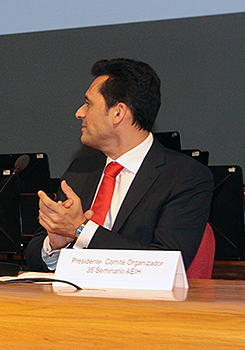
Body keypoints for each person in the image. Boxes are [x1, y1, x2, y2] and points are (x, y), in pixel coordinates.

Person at [25, 58, 213, 272]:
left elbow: (166, 264)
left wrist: (80, 230)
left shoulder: (185, 176)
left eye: (88, 104)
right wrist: (55, 244)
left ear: (118, 113)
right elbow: (34, 256)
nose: (79, 113)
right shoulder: (80, 170)